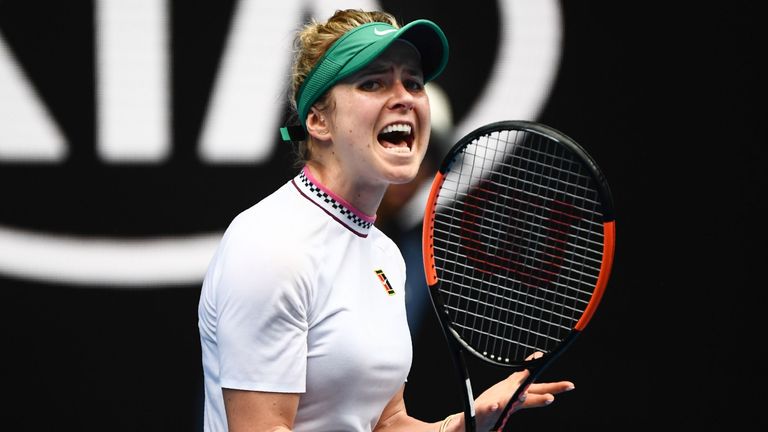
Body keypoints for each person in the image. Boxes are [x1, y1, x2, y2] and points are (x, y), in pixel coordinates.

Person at [198, 9, 574, 431]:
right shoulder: (271, 246)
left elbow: (387, 423)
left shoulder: (384, 255)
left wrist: (462, 425)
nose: (405, 97)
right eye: (373, 82)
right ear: (318, 121)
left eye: (413, 82)